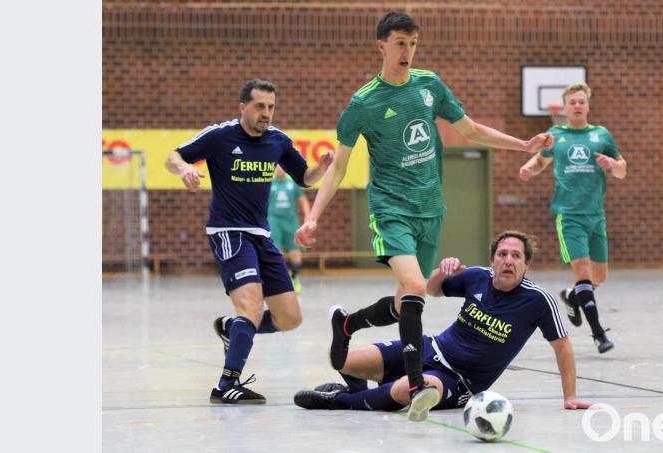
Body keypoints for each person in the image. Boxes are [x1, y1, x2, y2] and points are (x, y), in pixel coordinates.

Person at [293, 11, 553, 421]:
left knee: (404, 303)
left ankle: (347, 324)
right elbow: (339, 167)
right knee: (416, 286)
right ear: (381, 45)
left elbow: (471, 130)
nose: (407, 51)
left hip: (430, 211)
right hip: (390, 210)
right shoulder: (363, 103)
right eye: (400, 43)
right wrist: (314, 218)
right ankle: (416, 384)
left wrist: (523, 145)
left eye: (412, 44)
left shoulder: (429, 85)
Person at [293, 231, 592, 420]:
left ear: (527, 264)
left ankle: (340, 401)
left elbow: (562, 346)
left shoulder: (538, 300)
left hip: (459, 381)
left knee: (409, 390)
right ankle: (355, 387)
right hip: (430, 348)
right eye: (502, 254)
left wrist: (569, 397)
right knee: (344, 360)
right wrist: (442, 271)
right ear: (493, 260)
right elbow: (432, 289)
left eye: (516, 256)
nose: (508, 261)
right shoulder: (477, 277)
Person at [164, 79, 334, 404]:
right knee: (252, 307)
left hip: (261, 234)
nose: (266, 113)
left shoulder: (278, 141)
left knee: (289, 318)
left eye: (271, 107)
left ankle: (234, 327)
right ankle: (226, 385)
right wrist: (185, 169)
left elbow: (304, 178)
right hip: (228, 231)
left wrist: (322, 168)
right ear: (243, 107)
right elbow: (172, 157)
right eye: (259, 106)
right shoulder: (220, 136)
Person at [519, 83, 627, 354]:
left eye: (581, 101)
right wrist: (529, 168)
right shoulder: (555, 135)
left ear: (588, 106)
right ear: (565, 107)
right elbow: (540, 160)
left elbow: (622, 170)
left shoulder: (601, 135)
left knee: (599, 277)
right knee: (583, 270)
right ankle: (599, 335)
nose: (577, 105)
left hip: (596, 215)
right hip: (569, 215)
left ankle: (572, 296)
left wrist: (612, 165)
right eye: (572, 102)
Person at [268, 165, 310, 293]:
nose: (279, 169)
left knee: (295, 252)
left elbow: (303, 200)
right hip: (274, 221)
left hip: (291, 221)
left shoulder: (292, 183)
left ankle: (294, 277)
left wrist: (308, 217)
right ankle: (283, 279)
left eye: (282, 167)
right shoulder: (268, 182)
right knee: (276, 251)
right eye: (277, 166)